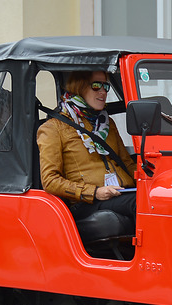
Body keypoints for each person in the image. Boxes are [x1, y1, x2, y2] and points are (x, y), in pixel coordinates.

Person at [37, 70, 136, 232]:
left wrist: (152, 184)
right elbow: (50, 180)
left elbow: (127, 163)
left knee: (157, 201)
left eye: (106, 86)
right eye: (96, 86)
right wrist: (95, 192)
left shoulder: (107, 123)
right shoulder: (53, 128)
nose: (103, 91)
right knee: (140, 204)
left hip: (122, 193)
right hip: (87, 202)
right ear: (79, 87)